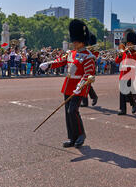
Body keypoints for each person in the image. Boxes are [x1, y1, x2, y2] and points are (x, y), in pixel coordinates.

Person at [39, 19, 96, 148]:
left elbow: (88, 74)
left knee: (72, 111)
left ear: (82, 40)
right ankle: (72, 137)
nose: (74, 42)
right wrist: (48, 65)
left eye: (76, 40)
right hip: (68, 85)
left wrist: (80, 86)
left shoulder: (88, 56)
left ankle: (81, 134)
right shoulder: (71, 53)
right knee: (67, 112)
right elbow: (60, 61)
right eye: (74, 40)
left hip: (79, 87)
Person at [115, 29, 136, 116]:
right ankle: (122, 109)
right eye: (128, 43)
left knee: (127, 90)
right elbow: (117, 61)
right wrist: (119, 55)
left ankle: (133, 103)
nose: (128, 45)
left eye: (130, 43)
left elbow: (133, 60)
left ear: (133, 44)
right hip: (123, 73)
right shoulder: (124, 52)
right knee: (122, 92)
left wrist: (129, 51)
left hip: (130, 74)